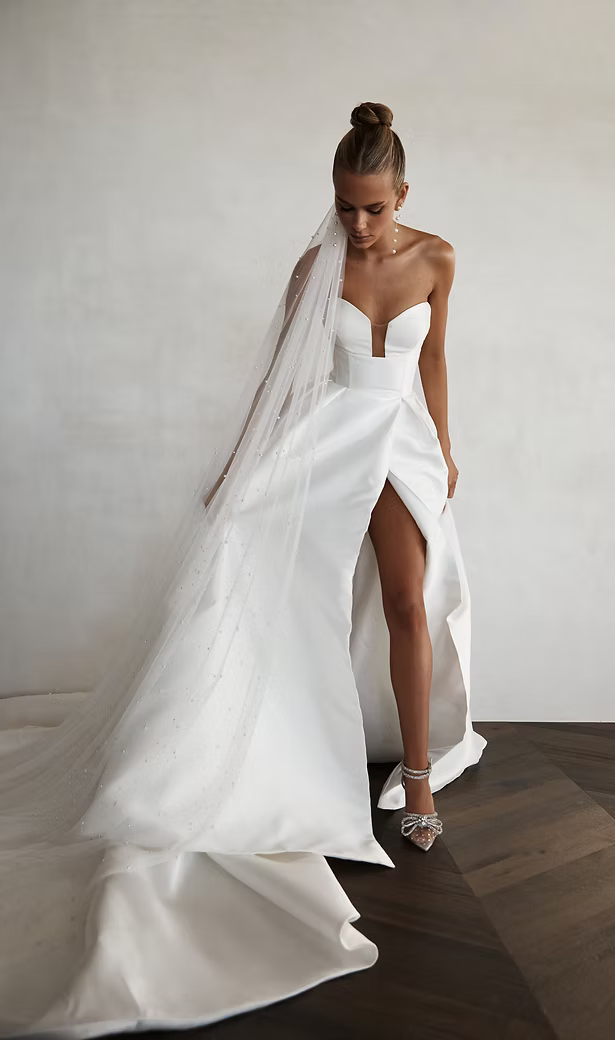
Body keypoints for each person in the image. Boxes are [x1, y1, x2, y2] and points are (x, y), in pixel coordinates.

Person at [0, 101, 486, 1036]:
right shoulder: (316, 265)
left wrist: (449, 443)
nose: (357, 225)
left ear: (403, 196)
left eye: (374, 208)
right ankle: (258, 745)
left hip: (405, 446)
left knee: (407, 599)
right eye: (345, 207)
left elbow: (438, 359)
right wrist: (238, 465)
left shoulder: (440, 258)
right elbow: (279, 368)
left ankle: (417, 777)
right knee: (249, 573)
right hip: (330, 434)